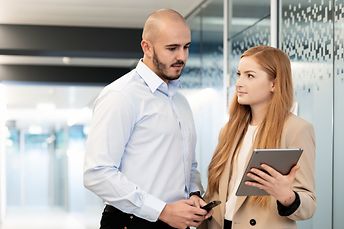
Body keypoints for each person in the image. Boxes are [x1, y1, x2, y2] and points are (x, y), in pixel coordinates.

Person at [83, 8, 211, 229]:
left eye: (186, 47)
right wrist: (162, 210)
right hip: (130, 223)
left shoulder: (180, 102)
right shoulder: (121, 95)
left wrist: (194, 193)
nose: (182, 57)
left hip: (175, 223)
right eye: (172, 48)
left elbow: (188, 166)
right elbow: (97, 173)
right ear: (147, 47)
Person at [199, 45, 316, 229]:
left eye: (250, 75)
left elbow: (308, 205)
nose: (239, 83)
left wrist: (287, 196)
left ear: (274, 84)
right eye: (239, 74)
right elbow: (218, 192)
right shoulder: (229, 131)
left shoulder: (296, 129)